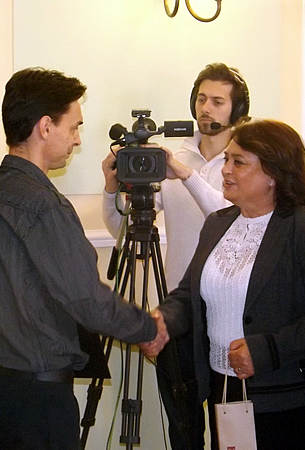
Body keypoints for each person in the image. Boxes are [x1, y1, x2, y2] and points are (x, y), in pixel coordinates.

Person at [0, 67, 163, 450]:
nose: (77, 140)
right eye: (74, 127)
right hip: (39, 405)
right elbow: (86, 299)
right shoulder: (44, 205)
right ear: (45, 127)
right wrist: (148, 329)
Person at [142, 119, 305, 450]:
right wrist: (162, 320)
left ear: (273, 174)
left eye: (239, 162)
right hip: (224, 390)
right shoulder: (217, 223)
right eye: (226, 159)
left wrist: (265, 351)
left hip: (291, 399)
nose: (226, 170)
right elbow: (189, 294)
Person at [102, 62, 250, 449]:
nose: (206, 108)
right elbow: (123, 228)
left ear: (236, 110)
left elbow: (229, 217)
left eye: (217, 101)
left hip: (228, 314)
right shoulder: (174, 157)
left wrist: (185, 174)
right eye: (201, 99)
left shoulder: (242, 162)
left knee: (230, 429)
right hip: (180, 309)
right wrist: (112, 189)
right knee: (183, 428)